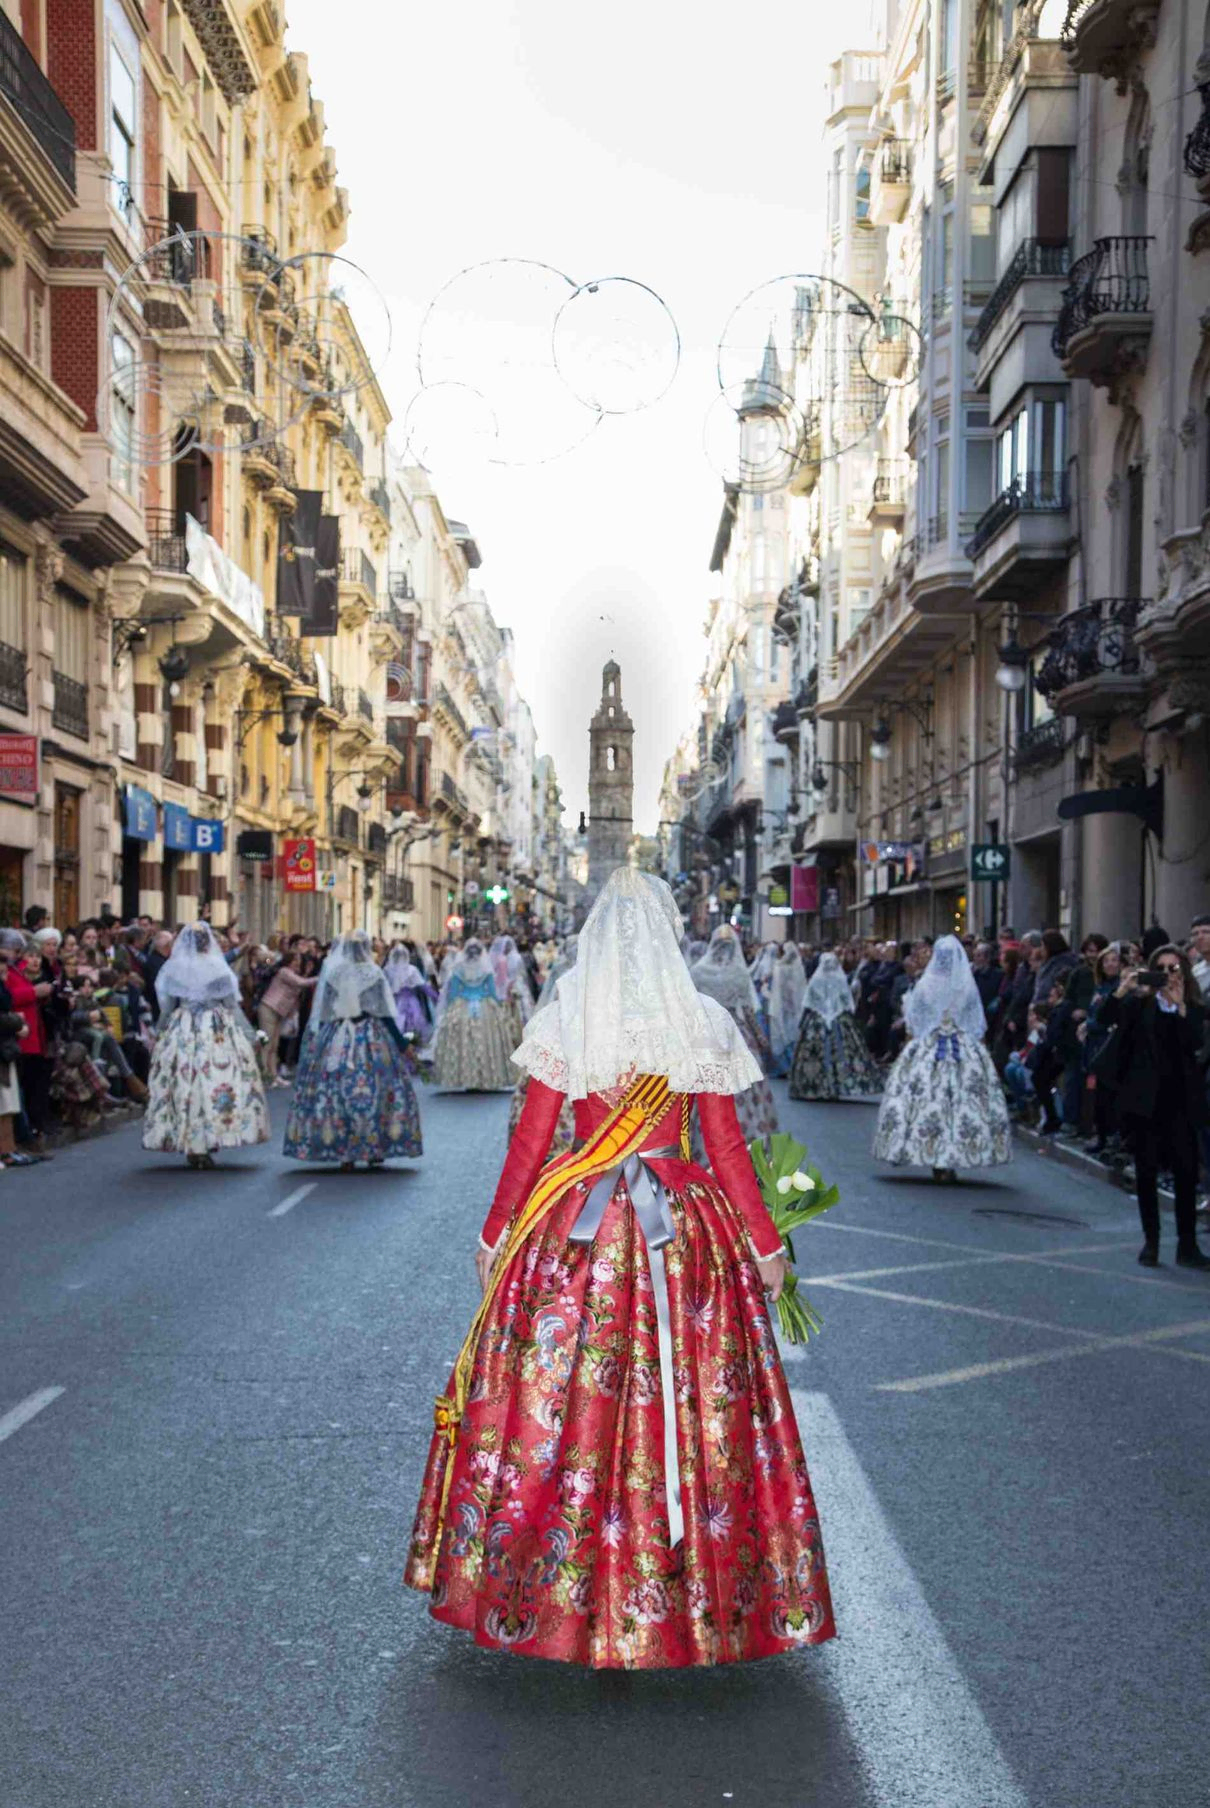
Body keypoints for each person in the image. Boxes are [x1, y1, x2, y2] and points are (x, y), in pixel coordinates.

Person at [405, 867, 836, 1668]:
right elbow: (728, 1150)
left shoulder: (570, 1015)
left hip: (577, 1230)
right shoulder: (696, 1020)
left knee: (563, 1408)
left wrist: (497, 1235)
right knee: (691, 1409)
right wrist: (767, 1247)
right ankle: (690, 1599)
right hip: (684, 1229)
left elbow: (533, 1146)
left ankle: (558, 1586)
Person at [1098, 947, 1209, 1268]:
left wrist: (1180, 1007)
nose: (1167, 974)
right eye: (1160, 968)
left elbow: (1195, 1044)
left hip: (1181, 1101)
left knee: (1186, 1174)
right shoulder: (1138, 1004)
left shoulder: (1193, 1006)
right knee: (1146, 1174)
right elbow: (1104, 1020)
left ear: (1184, 972)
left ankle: (1187, 1247)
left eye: (1173, 968)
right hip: (1144, 1102)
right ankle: (1152, 1242)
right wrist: (1123, 989)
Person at [874, 935, 1011, 1182]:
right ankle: (955, 1155)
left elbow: (915, 1021)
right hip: (962, 1047)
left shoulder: (927, 984)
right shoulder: (966, 985)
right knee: (962, 1102)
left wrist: (913, 1045)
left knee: (924, 1099)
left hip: (930, 1045)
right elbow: (976, 1023)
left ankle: (930, 1152)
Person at [283, 932, 422, 1171]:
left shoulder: (335, 974)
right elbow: (385, 1014)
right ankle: (372, 1148)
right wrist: (402, 1045)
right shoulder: (373, 974)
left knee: (334, 1093)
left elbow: (326, 1013)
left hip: (337, 1036)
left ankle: (343, 1149)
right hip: (371, 1036)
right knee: (377, 1090)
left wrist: (315, 1050)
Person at [142, 922, 270, 1169]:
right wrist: (250, 1035)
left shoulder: (174, 969)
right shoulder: (218, 969)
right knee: (215, 1079)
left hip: (184, 1027)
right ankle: (211, 1135)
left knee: (186, 1083)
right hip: (217, 1028)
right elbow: (232, 1006)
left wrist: (159, 1032)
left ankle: (191, 1140)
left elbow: (167, 1008)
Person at [689, 925, 778, 1143]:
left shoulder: (698, 971)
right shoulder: (739, 973)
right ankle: (746, 1138)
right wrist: (760, 1038)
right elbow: (747, 1012)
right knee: (743, 1087)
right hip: (734, 1032)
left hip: (706, 1036)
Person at [506, 933, 579, 1151]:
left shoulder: (562, 972)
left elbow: (547, 1004)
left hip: (561, 1039)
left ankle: (549, 1144)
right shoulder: (581, 974)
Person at [788, 950, 884, 1101]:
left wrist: (804, 1021)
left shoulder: (816, 979)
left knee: (815, 1054)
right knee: (840, 1052)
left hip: (817, 1021)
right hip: (839, 1019)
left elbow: (808, 1003)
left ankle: (815, 1086)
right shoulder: (839, 979)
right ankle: (839, 1084)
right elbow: (847, 1001)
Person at [432, 939, 517, 1091]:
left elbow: (453, 993)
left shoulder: (458, 968)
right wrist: (497, 1005)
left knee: (464, 1040)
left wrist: (450, 1009)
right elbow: (492, 991)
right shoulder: (486, 968)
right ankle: (486, 1077)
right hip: (485, 1005)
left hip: (462, 1004)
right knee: (487, 1041)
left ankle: (466, 1076)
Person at [256, 948, 317, 1086]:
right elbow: (301, 983)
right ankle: (263, 1074)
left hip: (278, 1011)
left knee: (274, 1044)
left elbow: (300, 984)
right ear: (288, 961)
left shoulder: (293, 974)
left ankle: (273, 1075)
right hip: (269, 1007)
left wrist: (307, 973)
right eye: (295, 960)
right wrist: (320, 977)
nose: (297, 963)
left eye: (299, 961)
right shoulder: (284, 972)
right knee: (266, 1042)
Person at [383, 944, 437, 1050]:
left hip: (394, 1002)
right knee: (414, 1025)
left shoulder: (387, 970)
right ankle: (413, 1050)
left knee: (397, 1025)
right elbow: (423, 987)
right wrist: (436, 996)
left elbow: (384, 989)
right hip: (411, 1002)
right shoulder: (412, 970)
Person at [766, 941, 806, 1077]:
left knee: (784, 1034)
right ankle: (791, 1065)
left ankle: (786, 1066)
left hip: (783, 1006)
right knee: (791, 1033)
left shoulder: (780, 967)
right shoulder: (796, 967)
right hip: (790, 1006)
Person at [490, 934, 534, 1051]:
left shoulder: (505, 958)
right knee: (521, 1008)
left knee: (515, 1009)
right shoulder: (515, 957)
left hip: (511, 984)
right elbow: (521, 972)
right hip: (517, 983)